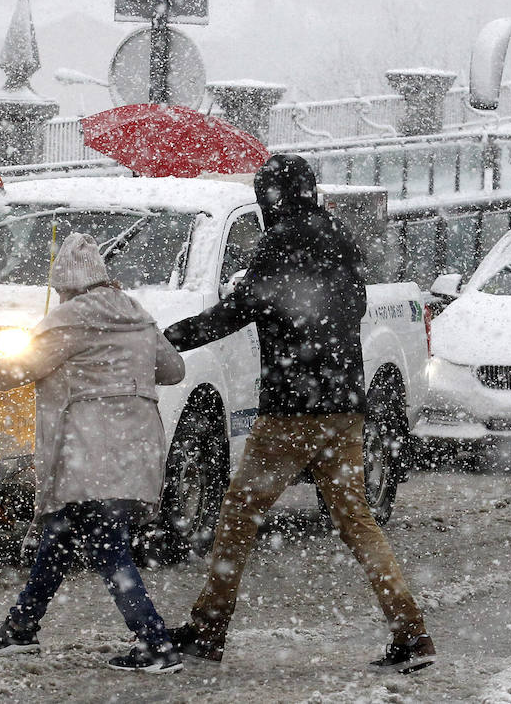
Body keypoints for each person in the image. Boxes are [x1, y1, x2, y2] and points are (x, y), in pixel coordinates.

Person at [163, 153, 434, 673]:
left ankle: (209, 627)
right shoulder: (338, 236)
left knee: (239, 514)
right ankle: (410, 630)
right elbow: (351, 308)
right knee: (356, 520)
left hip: (290, 407)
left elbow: (240, 309)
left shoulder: (279, 242)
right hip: (342, 406)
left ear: (272, 197)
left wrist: (173, 337)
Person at [0, 231, 187, 674]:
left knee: (106, 543)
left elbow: (22, 368)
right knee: (59, 532)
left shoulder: (69, 319)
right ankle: (21, 628)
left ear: (67, 286)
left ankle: (155, 643)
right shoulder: (136, 313)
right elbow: (173, 370)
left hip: (89, 447)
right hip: (137, 442)